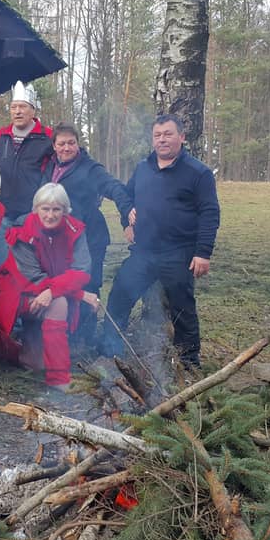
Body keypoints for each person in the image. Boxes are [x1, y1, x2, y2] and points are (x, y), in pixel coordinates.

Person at [101, 114, 220, 370]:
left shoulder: (198, 173)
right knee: (120, 295)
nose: (162, 140)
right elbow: (127, 197)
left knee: (182, 309)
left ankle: (188, 362)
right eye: (157, 135)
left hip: (179, 253)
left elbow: (210, 213)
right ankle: (110, 352)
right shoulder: (143, 168)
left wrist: (203, 252)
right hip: (143, 252)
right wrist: (126, 222)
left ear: (182, 137)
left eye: (168, 134)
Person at [0, 183, 97, 390]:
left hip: (46, 293)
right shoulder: (22, 230)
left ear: (65, 210)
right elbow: (33, 278)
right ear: (36, 209)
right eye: (45, 209)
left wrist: (54, 291)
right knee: (59, 303)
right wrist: (78, 294)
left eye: (56, 209)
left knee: (36, 364)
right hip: (18, 294)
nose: (50, 215)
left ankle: (40, 360)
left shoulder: (75, 230)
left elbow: (82, 271)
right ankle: (59, 378)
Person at [43, 123, 133, 342]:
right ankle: (68, 332)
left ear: (78, 144)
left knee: (89, 283)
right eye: (61, 143)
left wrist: (128, 210)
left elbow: (113, 186)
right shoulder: (50, 166)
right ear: (54, 146)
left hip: (90, 236)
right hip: (61, 238)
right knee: (66, 281)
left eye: (71, 143)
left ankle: (86, 337)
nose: (66, 148)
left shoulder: (90, 168)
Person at [0, 81, 53, 269]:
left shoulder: (48, 137)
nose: (17, 111)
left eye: (22, 107)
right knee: (5, 267)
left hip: (31, 214)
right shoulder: (0, 136)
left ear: (33, 110)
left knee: (30, 268)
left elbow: (53, 174)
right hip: (5, 214)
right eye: (14, 107)